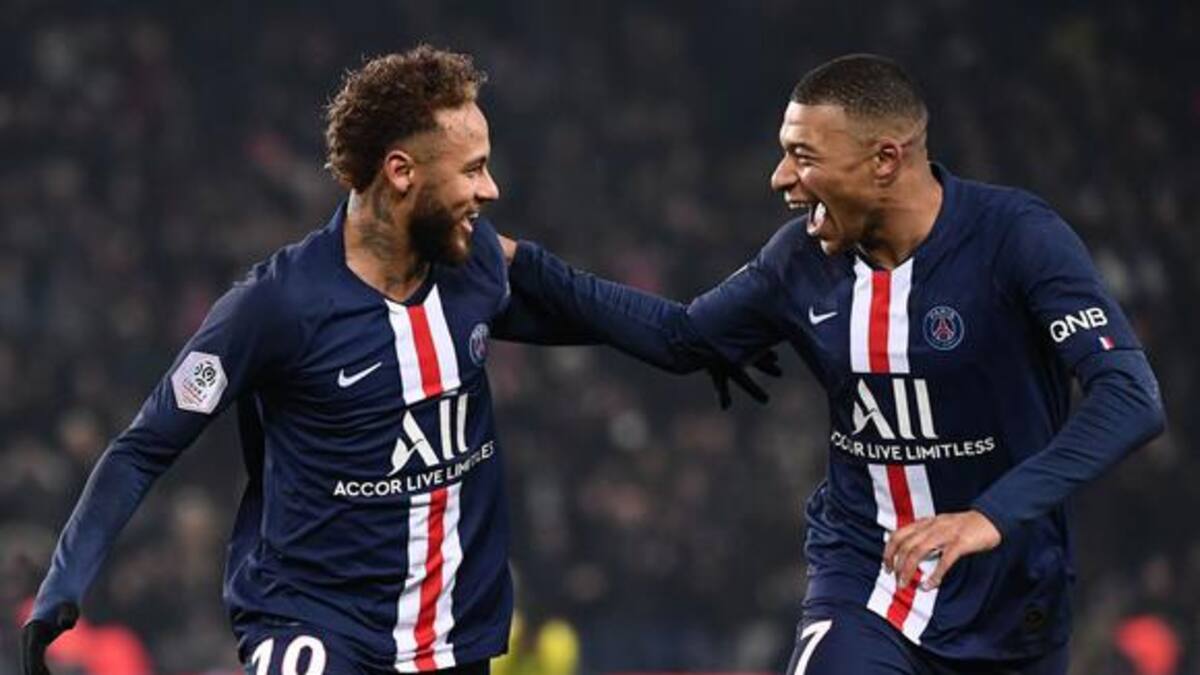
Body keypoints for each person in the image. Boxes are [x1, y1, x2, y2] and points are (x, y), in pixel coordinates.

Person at [20, 46, 768, 675]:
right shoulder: (275, 307)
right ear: (402, 172)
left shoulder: (477, 266)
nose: (490, 189)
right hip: (315, 625)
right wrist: (65, 579)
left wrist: (699, 339)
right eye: (473, 169)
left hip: (453, 640)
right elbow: (144, 446)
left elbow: (591, 307)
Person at [498, 54, 1166, 674]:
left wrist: (987, 514)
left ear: (884, 160)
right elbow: (682, 337)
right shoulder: (800, 260)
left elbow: (1129, 397)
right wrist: (518, 268)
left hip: (1013, 601)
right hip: (865, 580)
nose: (780, 178)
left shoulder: (1015, 237)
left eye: (803, 156)